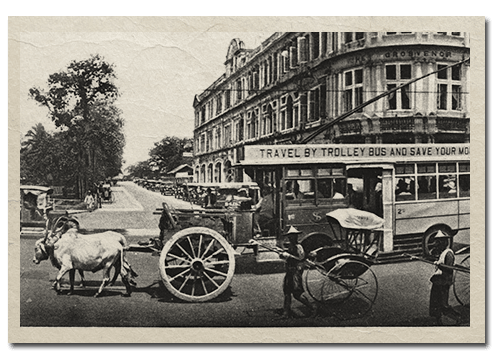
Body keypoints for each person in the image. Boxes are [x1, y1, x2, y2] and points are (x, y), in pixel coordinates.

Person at [280, 225, 317, 318]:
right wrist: (283, 255)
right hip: (289, 271)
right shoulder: (291, 246)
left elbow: (301, 258)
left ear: (296, 237)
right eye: (290, 236)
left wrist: (288, 256)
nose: (291, 238)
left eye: (293, 236)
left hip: (296, 271)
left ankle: (312, 307)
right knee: (287, 292)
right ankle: (286, 313)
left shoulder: (298, 246)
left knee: (297, 294)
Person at [429, 234, 461, 325]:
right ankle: (438, 321)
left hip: (444, 281)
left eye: (438, 242)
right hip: (437, 280)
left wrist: (439, 265)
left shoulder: (449, 253)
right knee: (435, 303)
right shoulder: (442, 253)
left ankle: (457, 317)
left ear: (444, 242)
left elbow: (448, 269)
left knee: (443, 304)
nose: (436, 244)